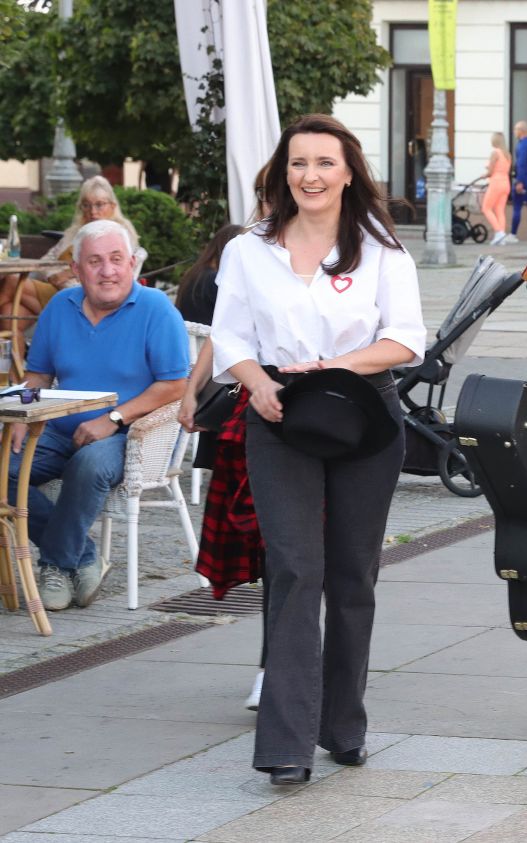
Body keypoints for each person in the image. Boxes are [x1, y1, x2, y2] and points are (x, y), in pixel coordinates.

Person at [211, 114, 426, 785]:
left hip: (363, 415)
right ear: (284, 172)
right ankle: (286, 744)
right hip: (279, 414)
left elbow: (407, 340)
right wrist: (257, 383)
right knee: (294, 569)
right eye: (299, 162)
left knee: (352, 574)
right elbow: (229, 338)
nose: (311, 175)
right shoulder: (248, 251)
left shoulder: (382, 250)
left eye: (324, 163)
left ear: (348, 173)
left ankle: (343, 725)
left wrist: (333, 368)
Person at [9, 219, 188, 612]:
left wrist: (114, 419)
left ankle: (56, 565)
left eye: (116, 259)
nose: (107, 271)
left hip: (131, 434)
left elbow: (175, 385)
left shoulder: (156, 309)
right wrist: (22, 414)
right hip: (57, 428)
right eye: (95, 261)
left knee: (89, 464)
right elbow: (37, 376)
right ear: (76, 269)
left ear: (132, 263)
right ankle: (85, 556)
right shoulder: (60, 307)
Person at [174, 222, 268, 712]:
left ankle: (307, 664)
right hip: (255, 413)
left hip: (328, 410)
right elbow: (225, 329)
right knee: (273, 551)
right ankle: (274, 668)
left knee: (316, 559)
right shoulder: (249, 249)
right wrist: (192, 390)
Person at [0, 176, 144, 324]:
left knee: (12, 281)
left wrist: (69, 274)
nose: (93, 211)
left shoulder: (121, 234)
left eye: (99, 204)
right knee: (8, 314)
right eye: (86, 205)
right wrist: (54, 276)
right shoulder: (73, 233)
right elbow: (46, 261)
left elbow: (118, 273)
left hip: (80, 297)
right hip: (52, 290)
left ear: (113, 206)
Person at [481, 132, 513, 245]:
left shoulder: (495, 153)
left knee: (486, 208)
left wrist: (484, 175)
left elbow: (490, 172)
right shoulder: (507, 154)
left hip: (496, 183)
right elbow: (503, 169)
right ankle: (501, 236)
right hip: (506, 183)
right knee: (500, 210)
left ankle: (499, 232)